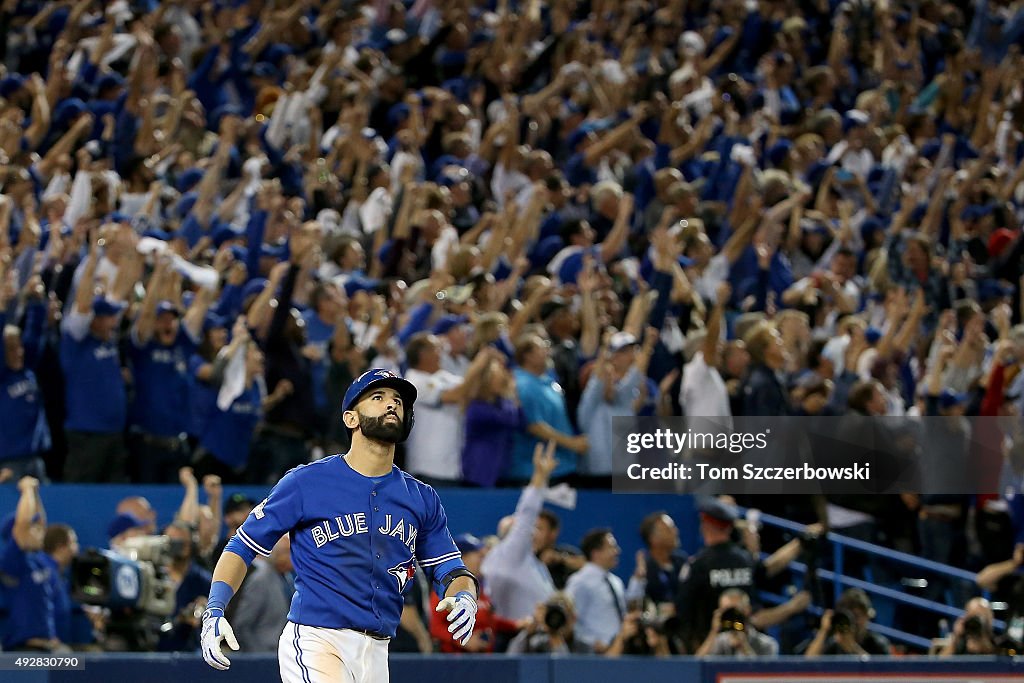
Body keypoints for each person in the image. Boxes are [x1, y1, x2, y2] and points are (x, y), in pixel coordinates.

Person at [201, 368, 479, 682]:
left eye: (398, 401)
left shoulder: (421, 498)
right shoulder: (306, 482)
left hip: (378, 650)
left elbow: (452, 570)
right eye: (378, 397)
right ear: (350, 419)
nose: (392, 405)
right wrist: (215, 608)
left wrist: (466, 596)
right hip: (318, 641)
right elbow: (241, 547)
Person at [480, 441, 559, 621]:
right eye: (530, 529)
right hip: (515, 637)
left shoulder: (532, 562)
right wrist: (539, 478)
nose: (532, 532)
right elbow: (527, 514)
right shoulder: (511, 554)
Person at [0, 477, 69, 652]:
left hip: (48, 647)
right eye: (34, 529)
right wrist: (27, 490)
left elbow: (40, 522)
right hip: (21, 650)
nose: (41, 532)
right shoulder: (13, 561)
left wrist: (36, 495)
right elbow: (23, 524)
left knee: (78, 665)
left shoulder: (40, 560)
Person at [565, 528, 645, 652]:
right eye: (612, 547)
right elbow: (570, 620)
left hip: (619, 649)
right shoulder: (579, 582)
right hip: (594, 656)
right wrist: (591, 643)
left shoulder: (615, 581)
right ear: (596, 553)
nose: (617, 551)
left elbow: (624, 609)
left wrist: (638, 581)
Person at [804, 588, 891, 656]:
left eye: (857, 616)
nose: (853, 621)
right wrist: (823, 631)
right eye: (849, 616)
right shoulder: (835, 643)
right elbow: (808, 664)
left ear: (867, 616)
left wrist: (853, 648)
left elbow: (881, 673)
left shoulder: (878, 644)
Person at [694, 589, 779, 656]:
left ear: (747, 610)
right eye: (725, 611)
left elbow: (762, 675)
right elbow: (696, 667)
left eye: (734, 610)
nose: (731, 616)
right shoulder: (718, 642)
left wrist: (743, 646)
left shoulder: (767, 644)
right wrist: (713, 631)